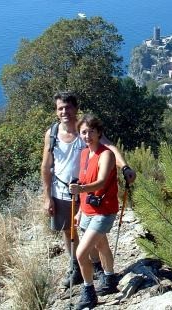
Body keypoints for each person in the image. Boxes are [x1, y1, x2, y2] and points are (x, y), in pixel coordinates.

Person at [40, 92, 136, 289]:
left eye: (68, 107)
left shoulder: (85, 132)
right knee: (68, 231)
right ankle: (75, 267)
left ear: (75, 109)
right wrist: (47, 196)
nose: (64, 112)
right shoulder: (52, 134)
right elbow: (46, 166)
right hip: (61, 190)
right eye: (60, 108)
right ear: (56, 111)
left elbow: (110, 149)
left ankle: (99, 269)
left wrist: (125, 167)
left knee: (94, 234)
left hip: (87, 192)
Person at [69, 114, 119, 309]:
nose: (87, 135)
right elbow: (83, 182)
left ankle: (89, 293)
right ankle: (110, 278)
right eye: (83, 132)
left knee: (82, 254)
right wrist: (80, 210)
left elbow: (101, 181)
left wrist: (80, 190)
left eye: (91, 131)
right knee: (100, 246)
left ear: (99, 132)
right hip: (88, 209)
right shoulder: (84, 154)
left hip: (104, 209)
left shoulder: (106, 154)